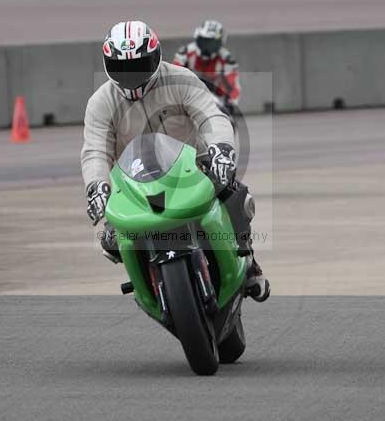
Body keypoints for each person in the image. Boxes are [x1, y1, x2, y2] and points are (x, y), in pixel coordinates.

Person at [81, 21, 269, 302]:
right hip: (135, 178)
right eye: (123, 68)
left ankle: (249, 261)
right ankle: (145, 283)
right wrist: (97, 185)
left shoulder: (181, 79)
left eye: (139, 65)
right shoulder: (100, 103)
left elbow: (211, 115)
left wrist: (221, 149)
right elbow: (95, 150)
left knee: (235, 195)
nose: (132, 75)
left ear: (156, 57)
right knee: (111, 240)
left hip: (194, 162)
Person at [173, 20, 241, 111]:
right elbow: (173, 76)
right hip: (187, 95)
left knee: (229, 120)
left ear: (220, 43)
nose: (206, 47)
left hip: (216, 100)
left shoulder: (227, 59)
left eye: (212, 43)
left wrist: (230, 104)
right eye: (204, 41)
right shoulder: (185, 53)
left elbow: (234, 87)